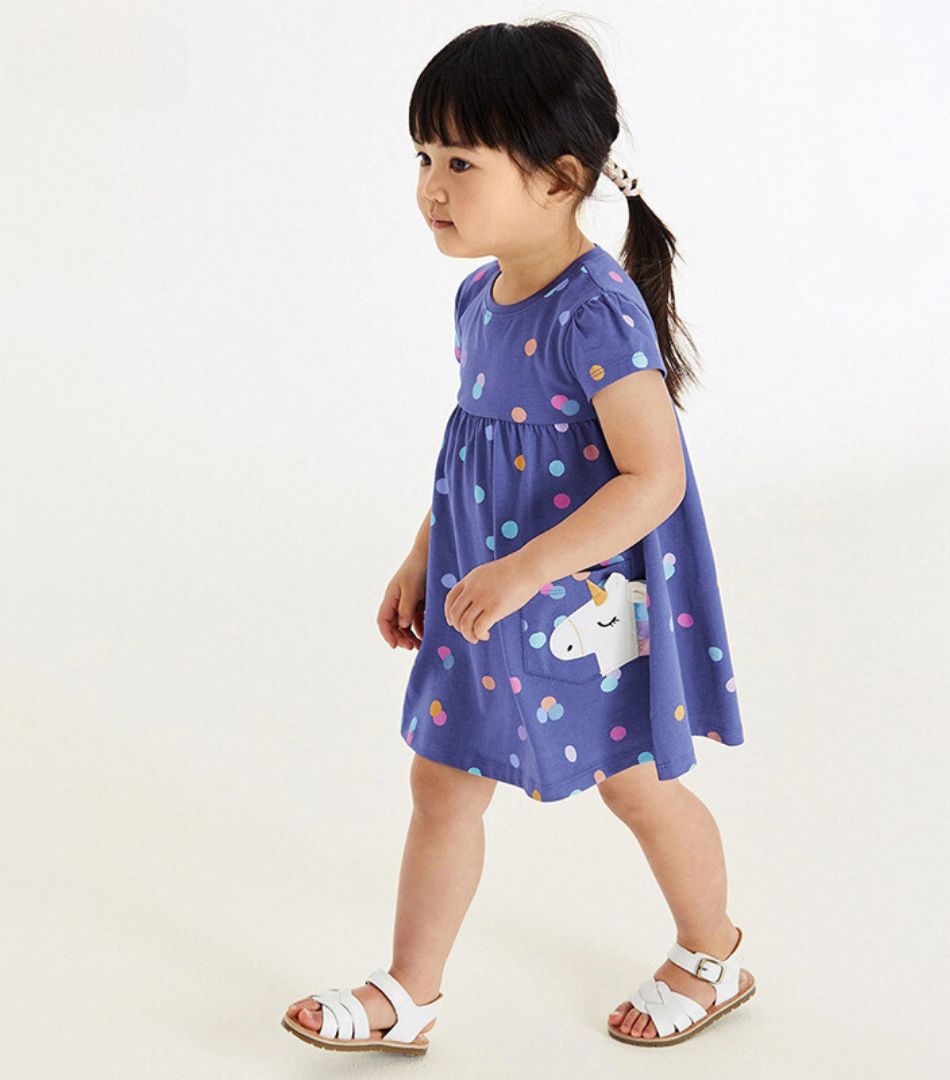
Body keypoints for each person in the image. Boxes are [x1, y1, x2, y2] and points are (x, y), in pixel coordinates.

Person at [281, 18, 753, 1055]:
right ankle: (410, 992)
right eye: (424, 157)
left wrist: (529, 568)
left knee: (638, 785)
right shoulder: (480, 296)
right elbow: (474, 447)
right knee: (442, 774)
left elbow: (655, 478)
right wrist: (425, 553)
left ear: (559, 177)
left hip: (578, 601)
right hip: (485, 592)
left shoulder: (596, 313)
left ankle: (711, 951)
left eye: (461, 161)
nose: (431, 186)